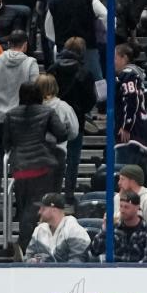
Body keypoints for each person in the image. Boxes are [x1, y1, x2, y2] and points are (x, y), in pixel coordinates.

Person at [4, 82, 66, 251]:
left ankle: (26, 244)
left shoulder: (10, 115)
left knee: (26, 208)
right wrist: (47, 140)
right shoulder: (48, 112)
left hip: (20, 169)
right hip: (42, 167)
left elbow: (6, 143)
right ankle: (24, 245)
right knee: (37, 208)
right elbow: (62, 134)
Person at [0, 30, 39, 221]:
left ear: (7, 43)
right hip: (20, 120)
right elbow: (35, 92)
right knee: (21, 165)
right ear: (25, 44)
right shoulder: (30, 64)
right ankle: (21, 209)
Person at [48, 37, 96, 205]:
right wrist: (82, 111)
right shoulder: (85, 72)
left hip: (52, 118)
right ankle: (69, 193)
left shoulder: (52, 69)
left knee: (53, 156)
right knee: (73, 159)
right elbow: (91, 99)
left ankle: (52, 192)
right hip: (77, 118)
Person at [44, 0, 108, 80]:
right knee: (97, 80)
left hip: (64, 49)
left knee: (64, 81)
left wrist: (58, 40)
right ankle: (101, 98)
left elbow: (48, 28)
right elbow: (106, 16)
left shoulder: (54, 2)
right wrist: (103, 35)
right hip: (88, 47)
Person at [88, 190, 147, 263]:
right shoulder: (113, 229)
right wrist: (104, 229)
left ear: (137, 208)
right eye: (121, 206)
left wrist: (128, 271)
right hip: (113, 272)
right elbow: (95, 251)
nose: (122, 210)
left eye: (126, 207)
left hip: (138, 273)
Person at [112, 43, 147, 171]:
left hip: (130, 135)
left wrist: (126, 126)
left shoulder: (128, 74)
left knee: (123, 176)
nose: (113, 62)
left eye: (115, 58)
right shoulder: (132, 75)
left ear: (124, 58)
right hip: (136, 134)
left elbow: (132, 100)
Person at [37, 73, 77, 191]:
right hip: (57, 152)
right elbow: (74, 131)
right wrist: (64, 137)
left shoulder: (30, 107)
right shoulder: (64, 107)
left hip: (34, 153)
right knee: (54, 191)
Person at [24, 192, 91, 263]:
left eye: (43, 209)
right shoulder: (39, 230)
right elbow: (27, 258)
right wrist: (34, 261)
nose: (39, 212)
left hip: (68, 273)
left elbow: (77, 262)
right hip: (43, 273)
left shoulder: (74, 230)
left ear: (54, 210)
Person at [113, 164, 147, 238]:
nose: (119, 183)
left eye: (122, 179)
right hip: (121, 242)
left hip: (146, 243)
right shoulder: (117, 198)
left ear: (133, 181)